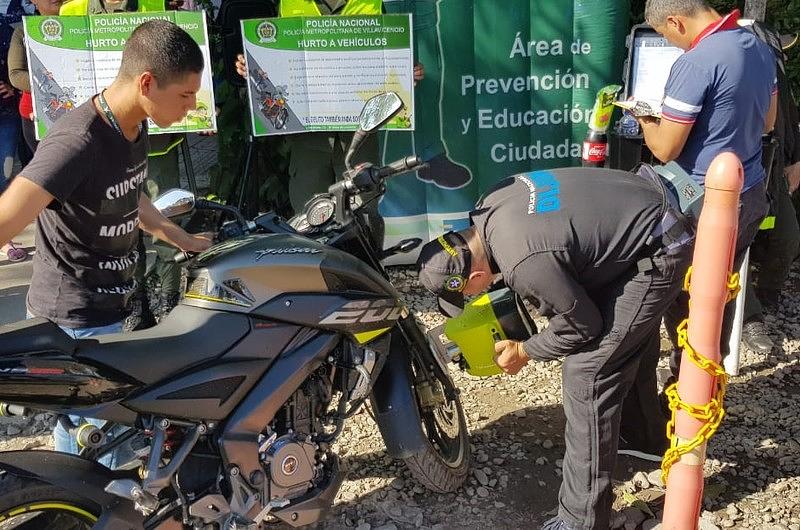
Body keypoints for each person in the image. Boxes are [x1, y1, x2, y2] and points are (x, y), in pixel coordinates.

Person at [417, 167, 694, 530]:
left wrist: (526, 350)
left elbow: (583, 325)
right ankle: (644, 435)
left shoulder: (522, 263)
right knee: (621, 339)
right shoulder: (491, 203)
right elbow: (560, 249)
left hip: (660, 246)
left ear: (474, 278)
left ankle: (581, 521)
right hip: (649, 202)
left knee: (588, 374)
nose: (475, 297)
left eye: (468, 293)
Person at [0, 19, 212, 465]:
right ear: (147, 83)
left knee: (86, 443)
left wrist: (174, 234)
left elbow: (127, 189)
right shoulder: (76, 142)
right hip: (73, 315)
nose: (193, 106)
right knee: (101, 452)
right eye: (186, 95)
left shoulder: (132, 124)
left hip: (106, 306)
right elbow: (7, 216)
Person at [638, 0, 777, 370]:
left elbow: (666, 149)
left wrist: (644, 119)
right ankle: (713, 372)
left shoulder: (695, 62)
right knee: (721, 291)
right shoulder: (759, 46)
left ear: (675, 21)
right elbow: (768, 123)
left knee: (685, 294)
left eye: (668, 37)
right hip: (749, 192)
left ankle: (685, 384)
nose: (674, 46)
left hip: (697, 199)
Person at [233, 0, 424, 250]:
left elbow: (391, 53)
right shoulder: (290, 4)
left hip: (358, 133)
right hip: (309, 137)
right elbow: (276, 57)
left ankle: (367, 276)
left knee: (364, 208)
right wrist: (253, 65)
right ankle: (312, 278)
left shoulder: (371, 3)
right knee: (307, 211)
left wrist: (408, 73)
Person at [737, 20, 800, 354]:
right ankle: (748, 318)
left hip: (776, 169)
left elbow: (789, 118)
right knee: (737, 246)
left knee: (786, 238)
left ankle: (768, 299)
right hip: (742, 171)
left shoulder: (776, 69)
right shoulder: (736, 71)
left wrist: (796, 160)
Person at [8, 0, 62, 156]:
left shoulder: (85, 25)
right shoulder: (23, 31)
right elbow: (16, 75)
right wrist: (59, 85)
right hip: (37, 117)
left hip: (83, 111)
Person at [0, 0, 28, 262]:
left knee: (4, 174)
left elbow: (16, 67)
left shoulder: (4, 27)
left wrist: (13, 87)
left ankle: (3, 237)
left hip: (5, 113)